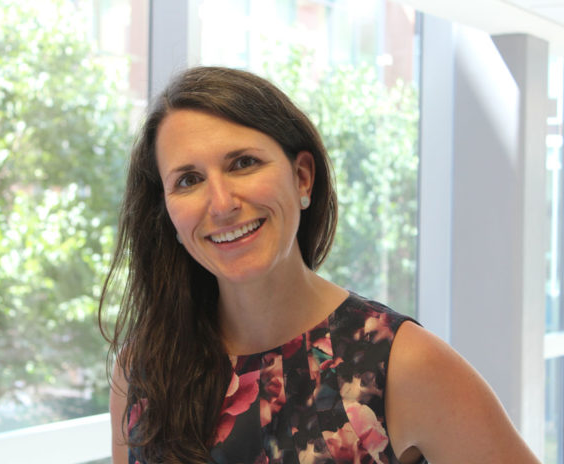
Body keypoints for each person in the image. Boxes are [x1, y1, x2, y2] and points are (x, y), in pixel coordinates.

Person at [98, 66, 540, 464]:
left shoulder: (404, 363)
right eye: (189, 180)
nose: (221, 203)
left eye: (243, 163)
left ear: (302, 177)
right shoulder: (142, 370)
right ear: (169, 213)